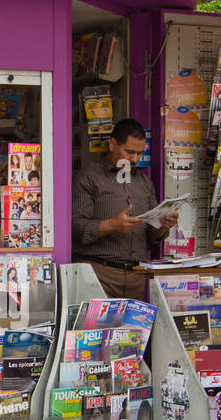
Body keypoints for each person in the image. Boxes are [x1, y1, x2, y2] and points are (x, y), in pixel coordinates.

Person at [72, 119, 178, 298]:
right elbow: (75, 227)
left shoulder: (144, 183)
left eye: (139, 153)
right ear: (113, 144)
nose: (135, 159)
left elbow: (152, 236)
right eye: (129, 152)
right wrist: (112, 225)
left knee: (136, 328)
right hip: (98, 273)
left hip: (137, 276)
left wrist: (163, 225)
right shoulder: (89, 177)